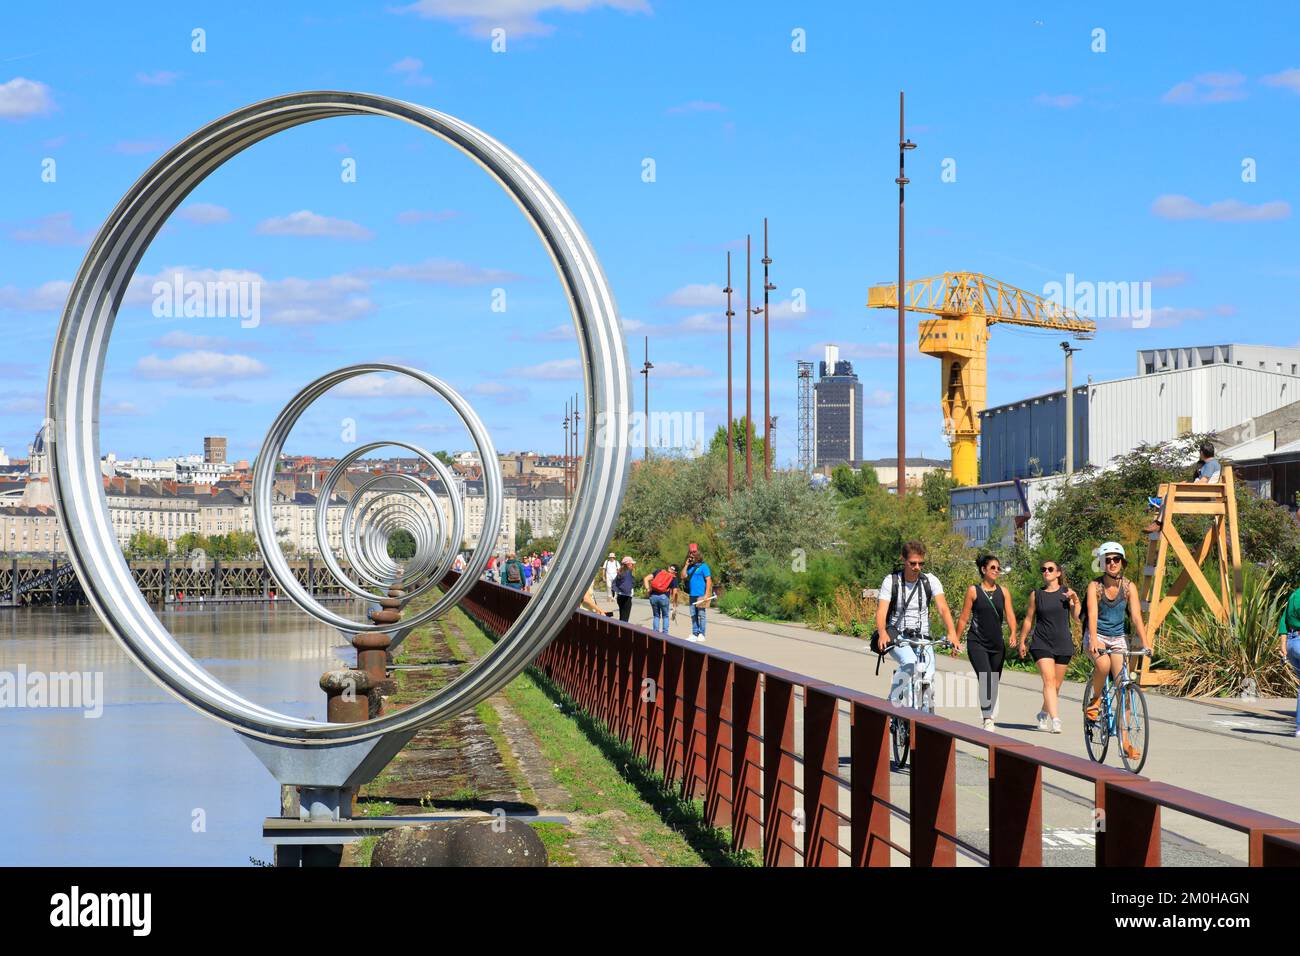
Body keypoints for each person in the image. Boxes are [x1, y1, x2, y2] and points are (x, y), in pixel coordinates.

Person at [874, 541, 960, 708]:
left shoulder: (930, 581)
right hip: (897, 635)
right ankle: (893, 700)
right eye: (913, 563)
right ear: (904, 560)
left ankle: (924, 722)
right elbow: (881, 611)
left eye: (921, 563)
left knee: (928, 678)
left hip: (923, 637)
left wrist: (952, 633)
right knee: (910, 662)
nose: (917, 567)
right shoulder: (891, 581)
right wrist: (882, 633)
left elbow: (943, 608)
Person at [1085, 541, 1150, 761]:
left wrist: (1146, 643)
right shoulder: (1095, 586)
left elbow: (1135, 617)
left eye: (1116, 559)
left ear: (1122, 562)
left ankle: (1125, 743)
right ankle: (1095, 701)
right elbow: (1092, 615)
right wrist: (1093, 639)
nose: (1112, 563)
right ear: (1102, 564)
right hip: (1098, 636)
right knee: (1102, 665)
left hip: (1118, 637)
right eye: (1108, 560)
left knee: (1124, 687)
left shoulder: (1128, 586)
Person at [1015, 558, 1080, 734]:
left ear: (1058, 573)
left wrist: (1075, 599)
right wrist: (1022, 640)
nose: (1046, 572)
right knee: (1049, 681)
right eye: (1043, 569)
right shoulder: (1036, 594)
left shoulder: (1067, 593)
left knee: (1056, 686)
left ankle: (1043, 712)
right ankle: (1056, 719)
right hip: (1041, 642)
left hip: (1063, 643)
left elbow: (1076, 616)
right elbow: (1029, 619)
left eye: (1050, 569)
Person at [955, 554, 1016, 731]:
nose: (996, 571)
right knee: (986, 676)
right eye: (992, 568)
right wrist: (956, 640)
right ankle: (987, 716)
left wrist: (1013, 632)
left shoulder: (1003, 592)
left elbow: (1010, 614)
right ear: (983, 570)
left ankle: (988, 709)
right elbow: (964, 618)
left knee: (994, 680)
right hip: (977, 642)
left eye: (998, 568)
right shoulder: (973, 591)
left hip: (997, 644)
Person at [1144, 442, 1221, 533]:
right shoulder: (1213, 463)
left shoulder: (1210, 464)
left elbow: (1203, 482)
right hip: (1204, 493)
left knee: (1168, 496)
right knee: (1167, 496)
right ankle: (1158, 522)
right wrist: (1187, 483)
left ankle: (1158, 523)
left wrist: (1184, 486)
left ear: (1201, 453)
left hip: (1203, 495)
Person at [677, 543, 713, 643]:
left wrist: (706, 594)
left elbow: (708, 580)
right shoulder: (690, 567)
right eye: (690, 555)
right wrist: (686, 565)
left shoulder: (704, 566)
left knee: (701, 614)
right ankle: (695, 633)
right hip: (692, 595)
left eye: (693, 555)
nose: (691, 556)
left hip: (701, 594)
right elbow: (683, 576)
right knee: (693, 615)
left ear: (698, 555)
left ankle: (702, 634)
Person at [1279, 580, 1300, 737]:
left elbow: (1283, 621)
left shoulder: (1294, 595)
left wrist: (1283, 645)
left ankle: (1299, 727)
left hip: (1292, 643)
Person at [643, 563, 678, 635]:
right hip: (664, 597)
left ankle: (655, 633)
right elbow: (675, 593)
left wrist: (648, 589)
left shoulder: (659, 571)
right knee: (665, 616)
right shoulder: (673, 578)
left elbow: (646, 579)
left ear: (668, 567)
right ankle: (665, 634)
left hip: (653, 596)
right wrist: (674, 605)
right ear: (675, 572)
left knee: (656, 616)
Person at [613, 555, 636, 621]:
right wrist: (629, 590)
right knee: (625, 619)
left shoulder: (621, 571)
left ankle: (619, 630)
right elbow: (627, 585)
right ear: (628, 564)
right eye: (632, 564)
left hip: (620, 596)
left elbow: (615, 583)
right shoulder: (628, 572)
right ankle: (623, 631)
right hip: (626, 597)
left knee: (622, 617)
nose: (633, 565)